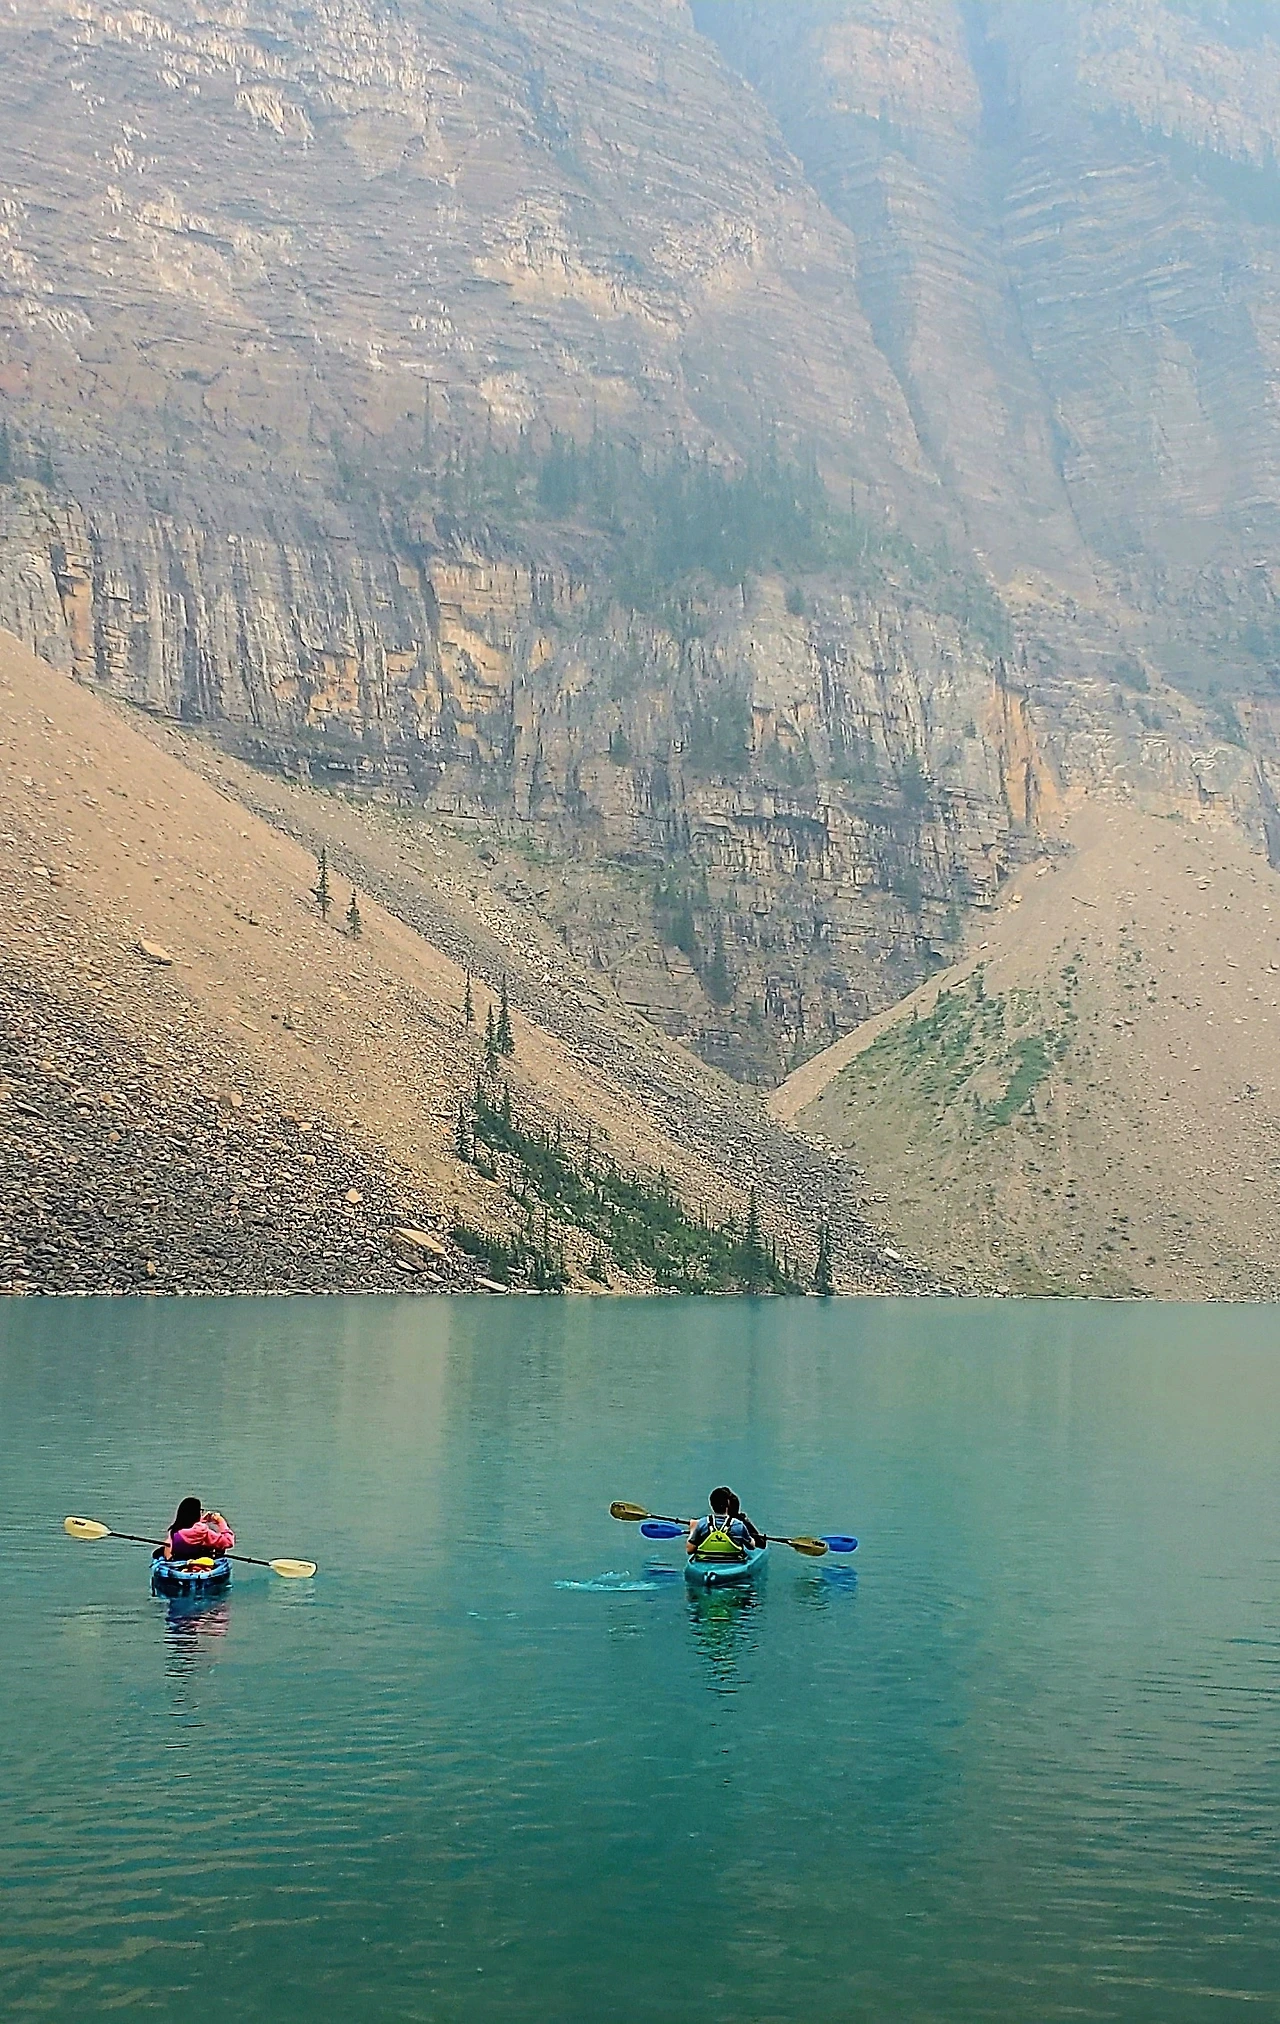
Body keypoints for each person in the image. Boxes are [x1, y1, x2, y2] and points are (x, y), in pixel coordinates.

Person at [687, 1486, 766, 1561]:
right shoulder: (739, 1525)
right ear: (727, 1505)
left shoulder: (702, 1523)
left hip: (705, 1559)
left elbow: (689, 1550)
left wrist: (693, 1529)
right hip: (734, 1560)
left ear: (711, 1505)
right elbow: (753, 1546)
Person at [161, 1497, 235, 1563]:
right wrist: (221, 1521)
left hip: (179, 1563)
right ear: (197, 1513)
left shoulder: (174, 1531)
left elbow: (189, 1527)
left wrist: (201, 1520)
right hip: (203, 1564)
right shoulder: (203, 1532)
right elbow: (228, 1541)